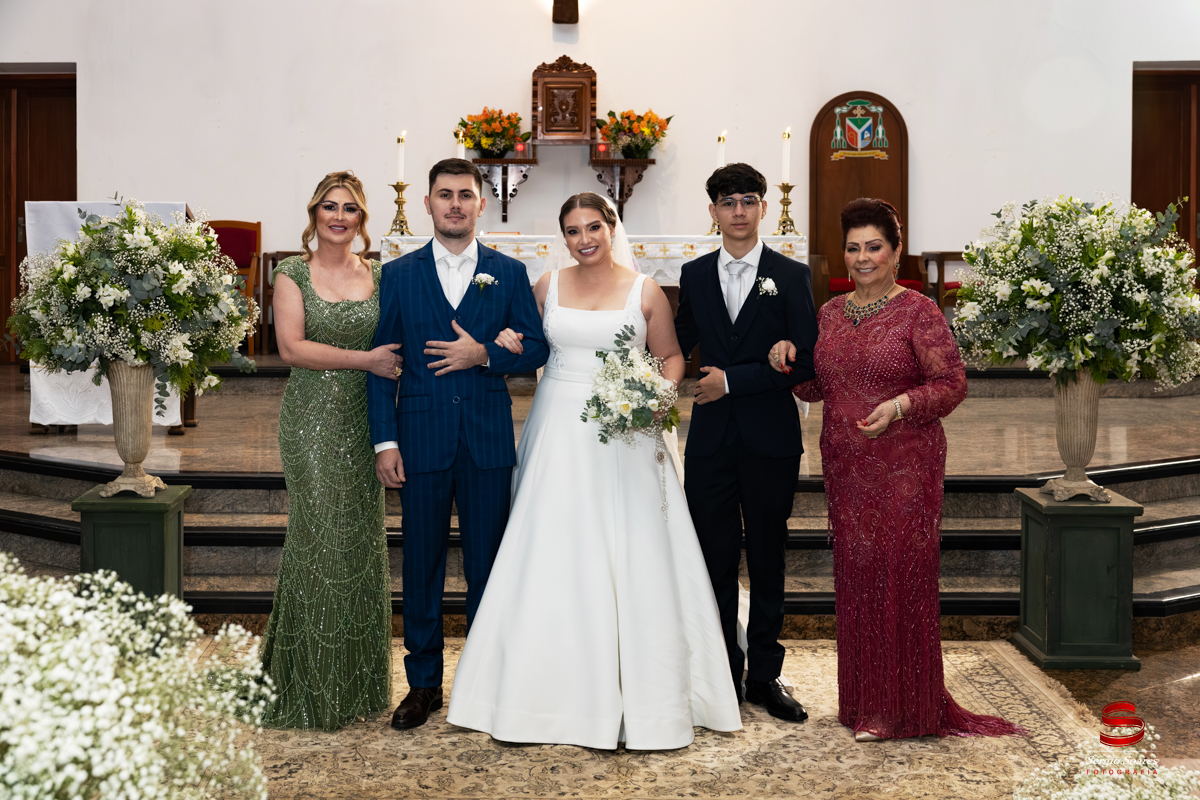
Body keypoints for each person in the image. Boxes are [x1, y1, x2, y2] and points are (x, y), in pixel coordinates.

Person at [446, 192, 742, 750]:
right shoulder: (546, 286)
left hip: (624, 431)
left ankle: (643, 697)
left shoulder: (645, 291)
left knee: (630, 545)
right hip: (558, 425)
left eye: (593, 227)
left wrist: (656, 396)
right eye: (572, 231)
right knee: (551, 542)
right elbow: (525, 342)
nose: (584, 239)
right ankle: (540, 690)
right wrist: (506, 341)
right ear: (564, 238)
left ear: (611, 228)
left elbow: (671, 358)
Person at [769, 198, 1025, 742]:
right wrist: (788, 360)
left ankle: (902, 708)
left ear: (896, 251)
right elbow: (818, 386)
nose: (863, 258)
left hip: (905, 464)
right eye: (853, 248)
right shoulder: (830, 313)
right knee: (858, 575)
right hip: (846, 465)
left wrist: (901, 405)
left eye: (874, 247)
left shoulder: (918, 312)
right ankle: (865, 700)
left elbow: (952, 384)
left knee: (899, 576)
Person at [368, 159, 550, 730]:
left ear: (480, 203)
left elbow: (538, 348)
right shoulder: (398, 275)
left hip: (486, 442)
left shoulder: (509, 272)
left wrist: (485, 354)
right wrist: (385, 442)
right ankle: (423, 684)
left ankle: (484, 680)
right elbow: (383, 365)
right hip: (420, 440)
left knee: (487, 566)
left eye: (464, 195)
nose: (454, 204)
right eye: (444, 195)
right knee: (420, 566)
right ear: (427, 203)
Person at [673, 163, 819, 722]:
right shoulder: (693, 274)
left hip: (770, 440)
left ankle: (764, 675)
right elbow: (676, 342)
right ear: (712, 211)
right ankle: (722, 673)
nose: (738, 211)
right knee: (713, 560)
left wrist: (733, 380)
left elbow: (806, 360)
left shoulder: (791, 275)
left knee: (766, 555)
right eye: (728, 202)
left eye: (748, 200)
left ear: (762, 207)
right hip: (710, 442)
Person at [260, 171, 402, 730]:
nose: (339, 217)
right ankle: (309, 681)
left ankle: (356, 681)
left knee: (361, 544)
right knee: (318, 540)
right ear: (314, 213)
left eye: (350, 208)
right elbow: (292, 348)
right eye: (329, 207)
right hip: (312, 423)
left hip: (365, 422)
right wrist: (367, 360)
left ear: (362, 218)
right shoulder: (291, 273)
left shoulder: (381, 275)